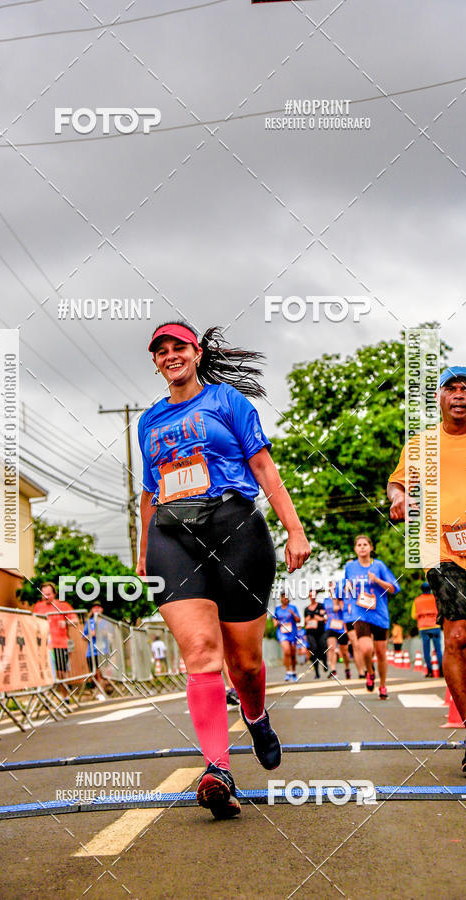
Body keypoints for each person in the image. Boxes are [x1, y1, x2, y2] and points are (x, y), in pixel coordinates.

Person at [137, 321, 311, 818]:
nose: (170, 356)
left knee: (246, 664)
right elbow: (149, 493)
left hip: (236, 528)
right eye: (161, 350)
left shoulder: (228, 402)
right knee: (200, 651)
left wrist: (294, 530)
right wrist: (145, 551)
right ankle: (218, 770)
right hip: (173, 535)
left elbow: (264, 469)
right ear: (155, 361)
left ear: (195, 354)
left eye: (179, 348)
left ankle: (256, 716)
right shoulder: (148, 422)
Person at [388, 365, 466, 774]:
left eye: (465, 388)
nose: (458, 394)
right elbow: (398, 483)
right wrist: (398, 500)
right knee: (457, 637)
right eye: (450, 388)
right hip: (444, 552)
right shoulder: (421, 445)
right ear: (440, 399)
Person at [343, 535, 400, 699]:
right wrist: (347, 587)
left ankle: (382, 685)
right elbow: (346, 587)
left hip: (380, 614)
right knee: (366, 648)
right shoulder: (350, 567)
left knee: (381, 653)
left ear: (371, 548)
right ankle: (370, 671)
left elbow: (394, 588)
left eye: (365, 544)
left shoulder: (379, 566)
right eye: (359, 545)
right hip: (360, 613)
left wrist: (377, 580)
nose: (362, 547)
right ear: (355, 549)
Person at [33, 582, 78, 697]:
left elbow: (76, 620)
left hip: (60, 644)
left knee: (61, 673)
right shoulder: (38, 607)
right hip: (44, 646)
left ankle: (65, 697)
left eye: (48, 594)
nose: (46, 597)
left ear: (54, 593)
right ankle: (46, 697)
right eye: (43, 594)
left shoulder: (62, 605)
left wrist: (66, 622)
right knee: (46, 672)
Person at [411, 582, 443, 678]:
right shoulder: (436, 598)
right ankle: (441, 671)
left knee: (426, 650)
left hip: (424, 627)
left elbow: (413, 615)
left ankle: (429, 672)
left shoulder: (417, 600)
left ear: (421, 589)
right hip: (435, 626)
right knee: (438, 650)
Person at [322, 583, 350, 679]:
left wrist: (338, 604)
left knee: (344, 651)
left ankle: (347, 668)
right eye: (330, 586)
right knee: (331, 648)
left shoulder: (342, 599)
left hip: (341, 627)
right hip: (330, 626)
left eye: (334, 587)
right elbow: (324, 612)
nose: (332, 588)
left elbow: (346, 610)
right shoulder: (325, 600)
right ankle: (333, 670)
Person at [274, 592, 301, 682]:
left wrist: (293, 614)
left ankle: (293, 671)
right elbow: (275, 618)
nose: (284, 599)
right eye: (282, 597)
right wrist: (275, 622)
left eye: (286, 597)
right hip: (282, 633)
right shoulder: (277, 609)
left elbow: (298, 620)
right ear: (281, 599)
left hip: (292, 632)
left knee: (292, 653)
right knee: (286, 651)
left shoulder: (293, 608)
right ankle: (287, 671)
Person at [83, 604, 108, 699]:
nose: (96, 609)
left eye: (98, 607)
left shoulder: (105, 621)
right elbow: (84, 636)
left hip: (103, 651)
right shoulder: (89, 622)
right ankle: (99, 692)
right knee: (94, 674)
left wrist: (100, 633)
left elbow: (110, 635)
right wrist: (91, 634)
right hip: (91, 652)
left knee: (101, 673)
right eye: (94, 607)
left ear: (102, 609)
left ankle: (101, 693)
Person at [303, 590, 327, 678]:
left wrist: (317, 617)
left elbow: (324, 618)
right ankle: (316, 673)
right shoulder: (306, 609)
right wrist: (308, 619)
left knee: (323, 647)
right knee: (314, 650)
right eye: (310, 595)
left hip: (320, 632)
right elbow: (305, 622)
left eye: (313, 595)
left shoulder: (321, 606)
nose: (312, 597)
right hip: (310, 633)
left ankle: (325, 662)